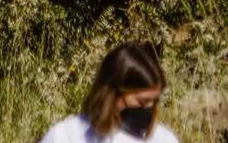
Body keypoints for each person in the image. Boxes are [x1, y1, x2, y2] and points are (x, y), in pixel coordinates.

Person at [38, 42, 176, 143]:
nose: (149, 108)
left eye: (155, 101)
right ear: (112, 94)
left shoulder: (163, 139)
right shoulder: (67, 136)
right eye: (142, 101)